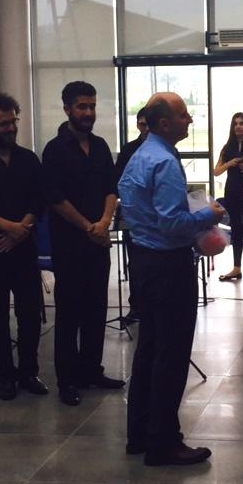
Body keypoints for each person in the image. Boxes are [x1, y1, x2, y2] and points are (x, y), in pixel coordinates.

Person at [119, 92, 224, 467]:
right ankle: (164, 442)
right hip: (168, 266)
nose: (190, 120)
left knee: (149, 349)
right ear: (165, 123)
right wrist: (210, 215)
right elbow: (173, 223)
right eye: (184, 115)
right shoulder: (164, 161)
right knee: (172, 355)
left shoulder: (139, 155)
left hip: (144, 261)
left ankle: (140, 433)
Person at [42, 81, 122, 407]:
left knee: (96, 309)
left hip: (98, 242)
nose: (88, 112)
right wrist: (88, 226)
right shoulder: (54, 150)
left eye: (92, 106)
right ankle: (68, 380)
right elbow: (55, 198)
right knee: (69, 313)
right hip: (69, 245)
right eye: (82, 107)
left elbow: (111, 189)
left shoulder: (100, 146)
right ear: (67, 109)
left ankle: (91, 370)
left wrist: (104, 222)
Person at [0, 93, 48, 401]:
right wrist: (9, 228)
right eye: (3, 124)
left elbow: (39, 199)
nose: (10, 128)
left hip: (24, 246)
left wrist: (21, 229)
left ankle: (29, 371)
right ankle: (5, 375)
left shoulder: (28, 159)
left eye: (13, 121)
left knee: (29, 313)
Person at [115, 107, 149, 324]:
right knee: (135, 263)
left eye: (149, 124)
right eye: (142, 124)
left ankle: (152, 307)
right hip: (134, 215)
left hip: (154, 217)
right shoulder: (129, 149)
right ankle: (136, 306)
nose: (146, 129)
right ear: (137, 125)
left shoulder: (166, 149)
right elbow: (118, 181)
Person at [213, 112, 243, 281]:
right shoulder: (228, 147)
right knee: (236, 229)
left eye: (242, 123)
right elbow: (216, 171)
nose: (238, 126)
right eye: (235, 124)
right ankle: (236, 268)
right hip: (233, 192)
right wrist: (230, 163)